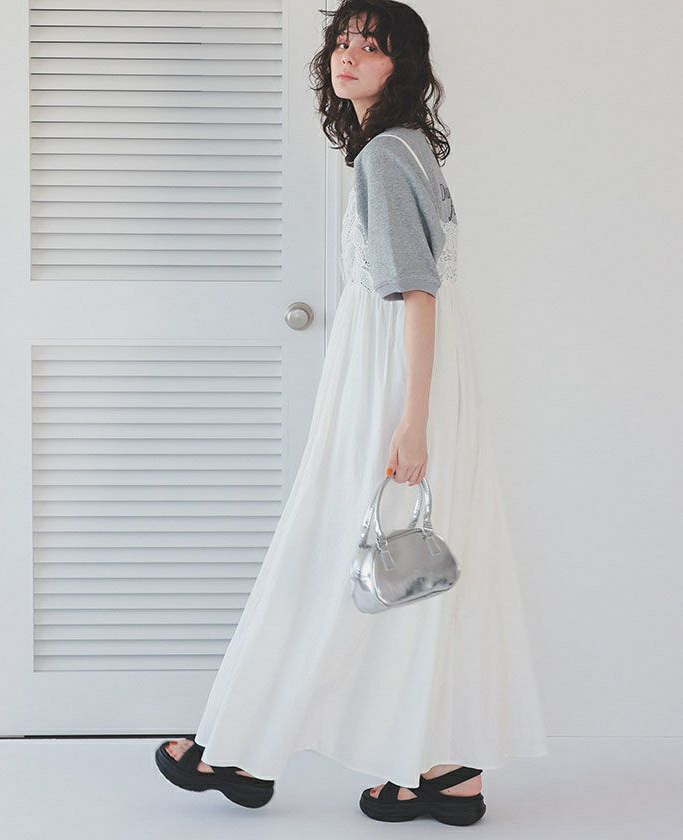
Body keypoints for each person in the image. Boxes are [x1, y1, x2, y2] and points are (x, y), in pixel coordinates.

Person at [154, 0, 548, 825]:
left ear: (402, 66)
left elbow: (416, 293)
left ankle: (240, 749)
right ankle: (444, 770)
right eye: (341, 41)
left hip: (394, 379)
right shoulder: (401, 149)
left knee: (328, 548)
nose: (348, 55)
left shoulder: (384, 158)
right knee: (408, 574)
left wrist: (410, 419)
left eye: (370, 46)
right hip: (418, 376)